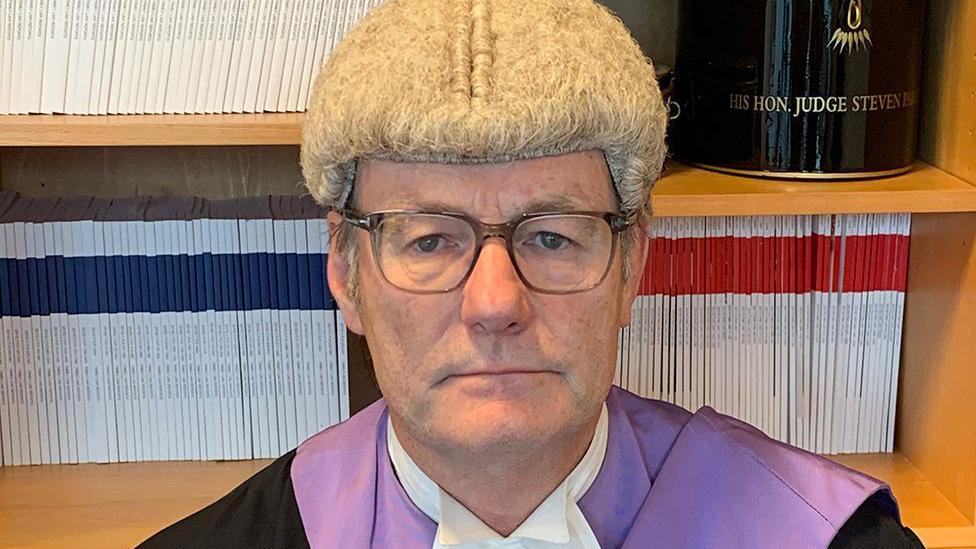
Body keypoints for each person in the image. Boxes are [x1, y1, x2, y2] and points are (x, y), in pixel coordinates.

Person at [140, 0, 924, 547]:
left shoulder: (832, 539)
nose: (494, 304)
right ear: (346, 273)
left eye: (551, 237)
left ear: (630, 267)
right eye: (429, 241)